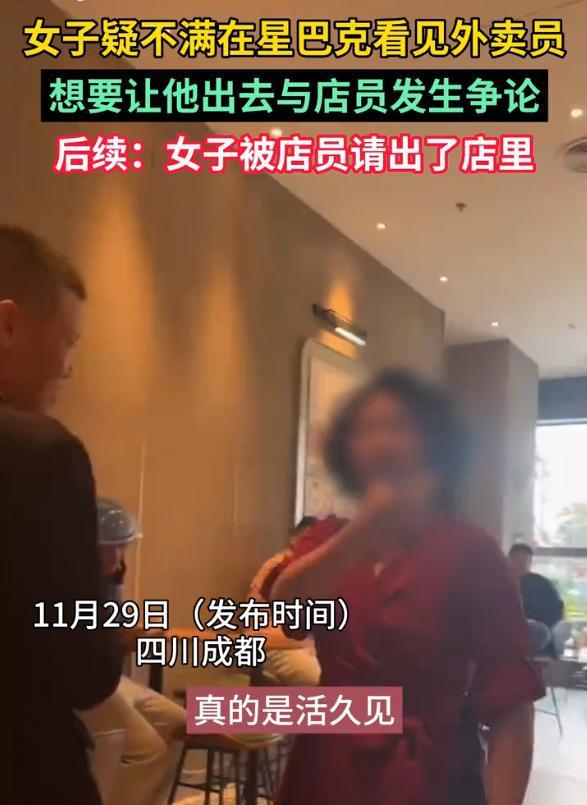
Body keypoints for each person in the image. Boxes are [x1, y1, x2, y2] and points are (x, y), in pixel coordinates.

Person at [271, 369, 544, 805]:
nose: (383, 442)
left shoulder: (472, 550)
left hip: (431, 771)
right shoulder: (328, 540)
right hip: (328, 765)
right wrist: (365, 529)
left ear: (434, 445)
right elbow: (286, 612)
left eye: (400, 426)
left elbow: (510, 699)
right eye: (367, 429)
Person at [0, 226, 122, 804]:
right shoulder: (41, 454)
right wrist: (104, 584)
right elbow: (86, 671)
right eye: (67, 343)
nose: (69, 368)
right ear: (8, 324)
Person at [80, 499, 186, 805]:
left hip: (110, 679)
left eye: (121, 546)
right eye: (107, 548)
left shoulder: (111, 579)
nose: (117, 555)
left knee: (181, 724)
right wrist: (124, 641)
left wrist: (133, 632)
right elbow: (77, 649)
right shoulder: (69, 582)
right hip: (83, 684)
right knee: (148, 751)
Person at [249, 516, 321, 687]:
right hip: (277, 645)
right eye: (308, 539)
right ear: (293, 539)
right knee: (322, 680)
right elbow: (254, 628)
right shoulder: (278, 567)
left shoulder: (315, 569)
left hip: (305, 645)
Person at [508, 542, 565, 656]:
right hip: (505, 634)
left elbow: (556, 612)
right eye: (517, 559)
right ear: (509, 560)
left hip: (535, 636)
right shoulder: (499, 583)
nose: (520, 563)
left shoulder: (543, 585)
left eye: (524, 559)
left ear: (530, 562)